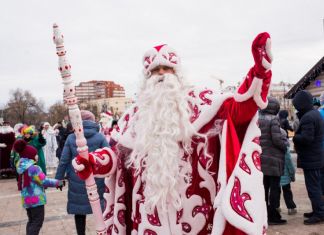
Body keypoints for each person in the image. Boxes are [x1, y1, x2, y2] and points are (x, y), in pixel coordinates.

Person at [71, 33, 273, 234]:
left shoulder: (203, 104)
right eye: (155, 71)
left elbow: (240, 110)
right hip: (147, 219)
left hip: (196, 219)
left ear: (177, 73)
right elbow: (117, 155)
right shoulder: (133, 117)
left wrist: (259, 72)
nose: (161, 74)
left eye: (166, 69)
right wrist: (93, 161)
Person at [55, 110, 109, 235]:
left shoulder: (71, 138)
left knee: (79, 212)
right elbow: (109, 156)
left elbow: (64, 160)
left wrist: (58, 179)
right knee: (99, 210)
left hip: (77, 179)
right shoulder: (100, 137)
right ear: (92, 121)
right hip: (97, 179)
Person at [13, 139, 64, 235]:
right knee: (37, 222)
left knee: (32, 221)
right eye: (35, 154)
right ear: (30, 155)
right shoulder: (33, 168)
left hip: (27, 199)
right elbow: (44, 181)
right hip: (36, 200)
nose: (37, 156)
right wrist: (58, 183)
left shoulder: (22, 166)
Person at [292, 90, 324, 225]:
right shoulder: (315, 114)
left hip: (311, 158)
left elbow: (306, 139)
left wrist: (295, 137)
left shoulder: (308, 117)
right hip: (316, 156)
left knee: (313, 188)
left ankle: (319, 213)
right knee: (317, 186)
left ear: (301, 104)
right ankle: (318, 210)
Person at [259, 97, 287, 225]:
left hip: (261, 159)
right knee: (275, 189)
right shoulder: (274, 119)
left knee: (263, 188)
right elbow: (276, 139)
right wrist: (284, 145)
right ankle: (273, 215)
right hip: (274, 159)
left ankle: (262, 214)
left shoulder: (258, 119)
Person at [279, 127, 297, 215]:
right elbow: (289, 162)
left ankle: (276, 207)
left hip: (275, 175)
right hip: (285, 176)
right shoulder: (285, 148)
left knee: (275, 191)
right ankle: (291, 207)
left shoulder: (272, 147)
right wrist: (292, 174)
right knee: (287, 192)